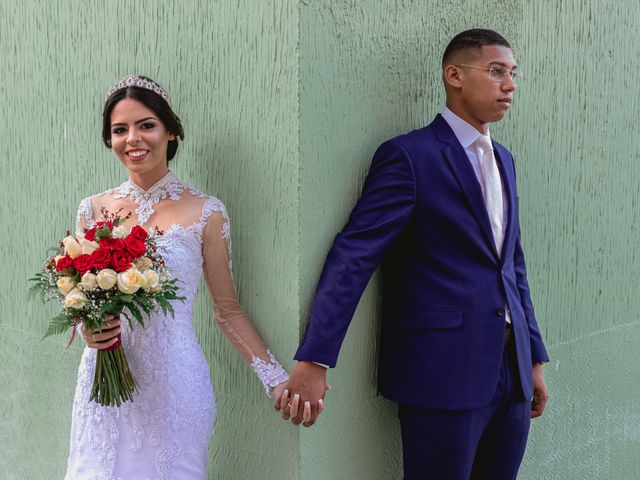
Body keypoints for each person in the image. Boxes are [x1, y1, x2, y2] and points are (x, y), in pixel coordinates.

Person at [277, 29, 550, 479]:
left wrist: (533, 359)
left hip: (512, 376)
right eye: (497, 71)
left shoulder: (505, 160)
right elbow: (355, 254)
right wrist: (316, 358)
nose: (510, 85)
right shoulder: (409, 157)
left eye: (513, 74)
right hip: (442, 375)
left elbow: (512, 265)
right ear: (455, 75)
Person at [65, 74, 289, 479]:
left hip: (174, 387)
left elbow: (228, 311)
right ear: (110, 139)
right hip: (104, 390)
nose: (133, 139)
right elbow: (83, 300)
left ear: (170, 130)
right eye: (120, 130)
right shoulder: (92, 211)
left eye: (146, 125)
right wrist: (89, 329)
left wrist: (275, 379)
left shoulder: (206, 212)